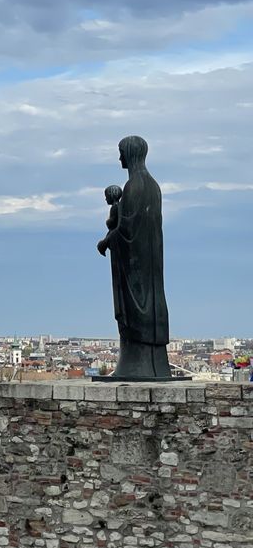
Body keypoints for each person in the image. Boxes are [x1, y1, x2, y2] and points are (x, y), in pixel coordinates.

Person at [97, 136, 171, 378]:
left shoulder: (134, 186)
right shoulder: (153, 185)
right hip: (151, 263)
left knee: (136, 309)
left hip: (135, 264)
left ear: (129, 154)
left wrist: (106, 241)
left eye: (121, 153)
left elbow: (127, 228)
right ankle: (153, 362)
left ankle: (136, 363)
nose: (119, 158)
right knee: (153, 301)